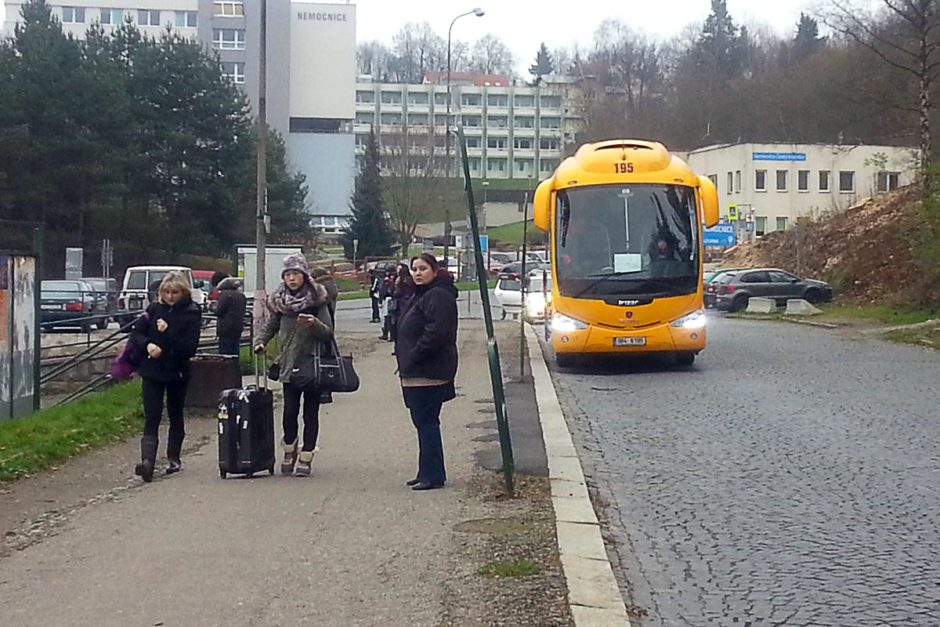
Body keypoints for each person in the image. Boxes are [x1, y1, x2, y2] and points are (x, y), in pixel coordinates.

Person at [254, 253, 334, 477]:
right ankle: (289, 449)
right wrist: (260, 342)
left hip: (312, 366)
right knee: (289, 411)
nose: (292, 279)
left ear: (304, 275)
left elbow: (328, 333)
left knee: (311, 412)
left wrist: (313, 323)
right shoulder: (280, 301)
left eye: (296, 274)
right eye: (288, 274)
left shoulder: (317, 300)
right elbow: (270, 326)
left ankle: (307, 455)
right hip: (289, 365)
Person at [394, 253, 458, 491]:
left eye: (422, 269)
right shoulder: (420, 295)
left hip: (428, 371)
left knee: (427, 422)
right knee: (422, 422)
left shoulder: (438, 296)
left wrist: (414, 355)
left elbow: (436, 332)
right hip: (416, 372)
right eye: (414, 269)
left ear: (434, 271)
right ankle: (426, 471)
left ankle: (433, 475)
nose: (417, 273)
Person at [130, 271, 202, 482]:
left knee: (175, 412)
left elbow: (189, 347)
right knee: (152, 414)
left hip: (177, 370)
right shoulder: (154, 309)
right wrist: (148, 344)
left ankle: (173, 456)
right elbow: (137, 333)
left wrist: (167, 332)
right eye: (166, 292)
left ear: (183, 292)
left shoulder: (191, 312)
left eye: (175, 292)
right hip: (152, 369)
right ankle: (147, 462)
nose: (170, 296)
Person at [214, 274, 246, 356]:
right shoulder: (241, 295)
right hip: (237, 327)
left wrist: (212, 308)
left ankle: (226, 368)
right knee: (235, 349)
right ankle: (235, 367)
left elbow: (219, 311)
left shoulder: (224, 295)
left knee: (225, 352)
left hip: (225, 328)